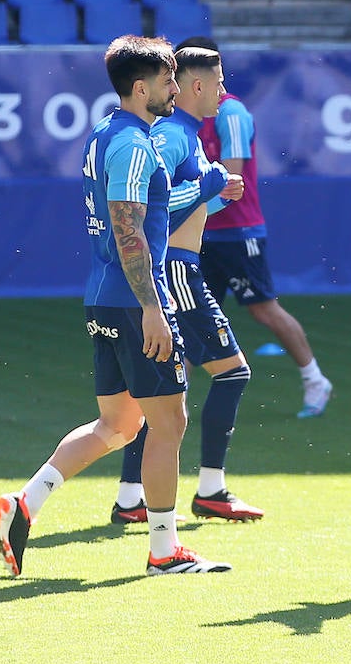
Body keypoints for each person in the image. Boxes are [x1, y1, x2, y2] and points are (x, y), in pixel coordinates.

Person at [0, 36, 230, 577]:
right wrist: (153, 306)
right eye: (171, 80)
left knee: (119, 425)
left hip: (103, 295)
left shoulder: (108, 132)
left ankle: (25, 502)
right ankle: (165, 551)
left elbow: (133, 217)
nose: (177, 89)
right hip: (133, 299)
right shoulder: (134, 144)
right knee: (168, 421)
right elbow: (129, 227)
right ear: (142, 87)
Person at [110, 44, 265, 526]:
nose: (223, 92)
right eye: (218, 83)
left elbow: (182, 206)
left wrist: (216, 196)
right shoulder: (175, 134)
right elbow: (155, 206)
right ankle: (207, 489)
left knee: (160, 394)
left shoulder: (187, 134)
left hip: (181, 264)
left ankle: (133, 493)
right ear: (199, 86)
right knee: (224, 376)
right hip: (176, 270)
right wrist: (207, 187)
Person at [180, 36, 334, 419]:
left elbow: (232, 182)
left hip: (238, 231)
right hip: (202, 232)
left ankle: (315, 378)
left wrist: (182, 212)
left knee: (264, 311)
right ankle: (170, 397)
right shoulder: (187, 120)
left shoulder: (231, 114)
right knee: (187, 316)